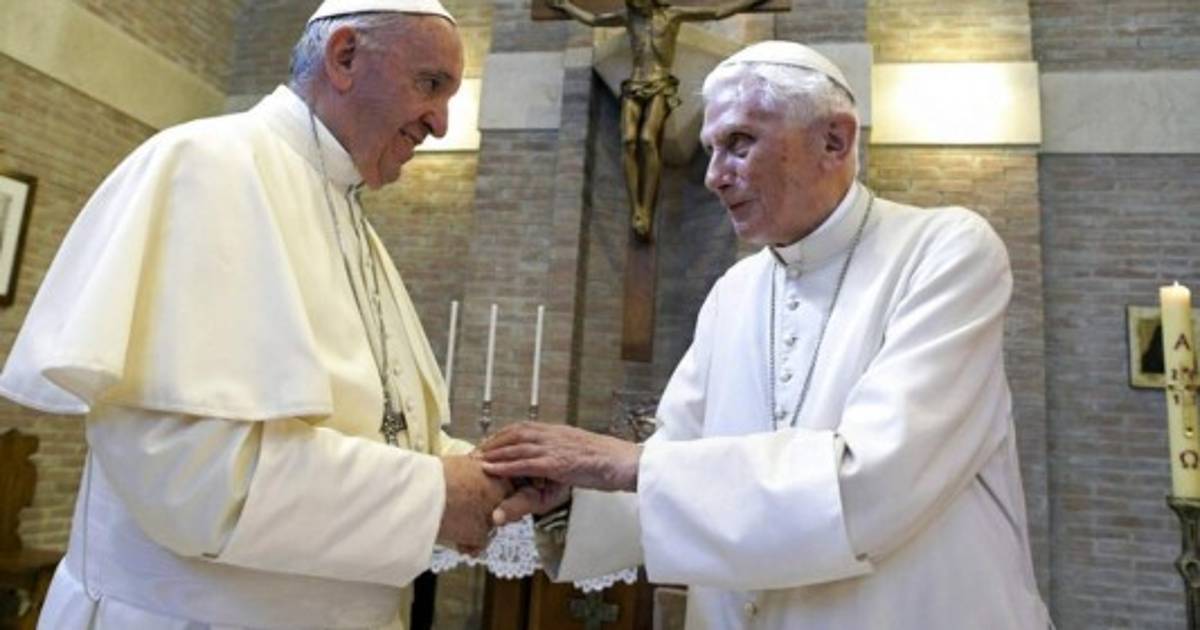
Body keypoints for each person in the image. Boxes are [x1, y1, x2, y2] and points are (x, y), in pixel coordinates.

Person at [481, 41, 1052, 629]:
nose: (713, 177)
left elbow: (876, 483)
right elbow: (674, 463)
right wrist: (571, 499)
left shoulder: (944, 251)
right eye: (710, 149)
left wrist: (623, 464)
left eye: (739, 143)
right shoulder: (734, 291)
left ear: (835, 140)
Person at [0, 1, 511, 628]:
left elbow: (386, 434)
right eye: (430, 84)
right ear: (345, 56)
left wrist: (492, 474)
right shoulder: (206, 166)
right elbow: (192, 478)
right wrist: (436, 495)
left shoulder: (352, 219)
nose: (441, 122)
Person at [548, 0, 767, 240]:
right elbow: (594, 20)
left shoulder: (672, 16)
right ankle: (638, 207)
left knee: (646, 140)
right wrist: (565, 6)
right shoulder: (629, 18)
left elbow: (716, 12)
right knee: (628, 141)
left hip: (660, 85)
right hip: (633, 85)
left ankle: (646, 206)